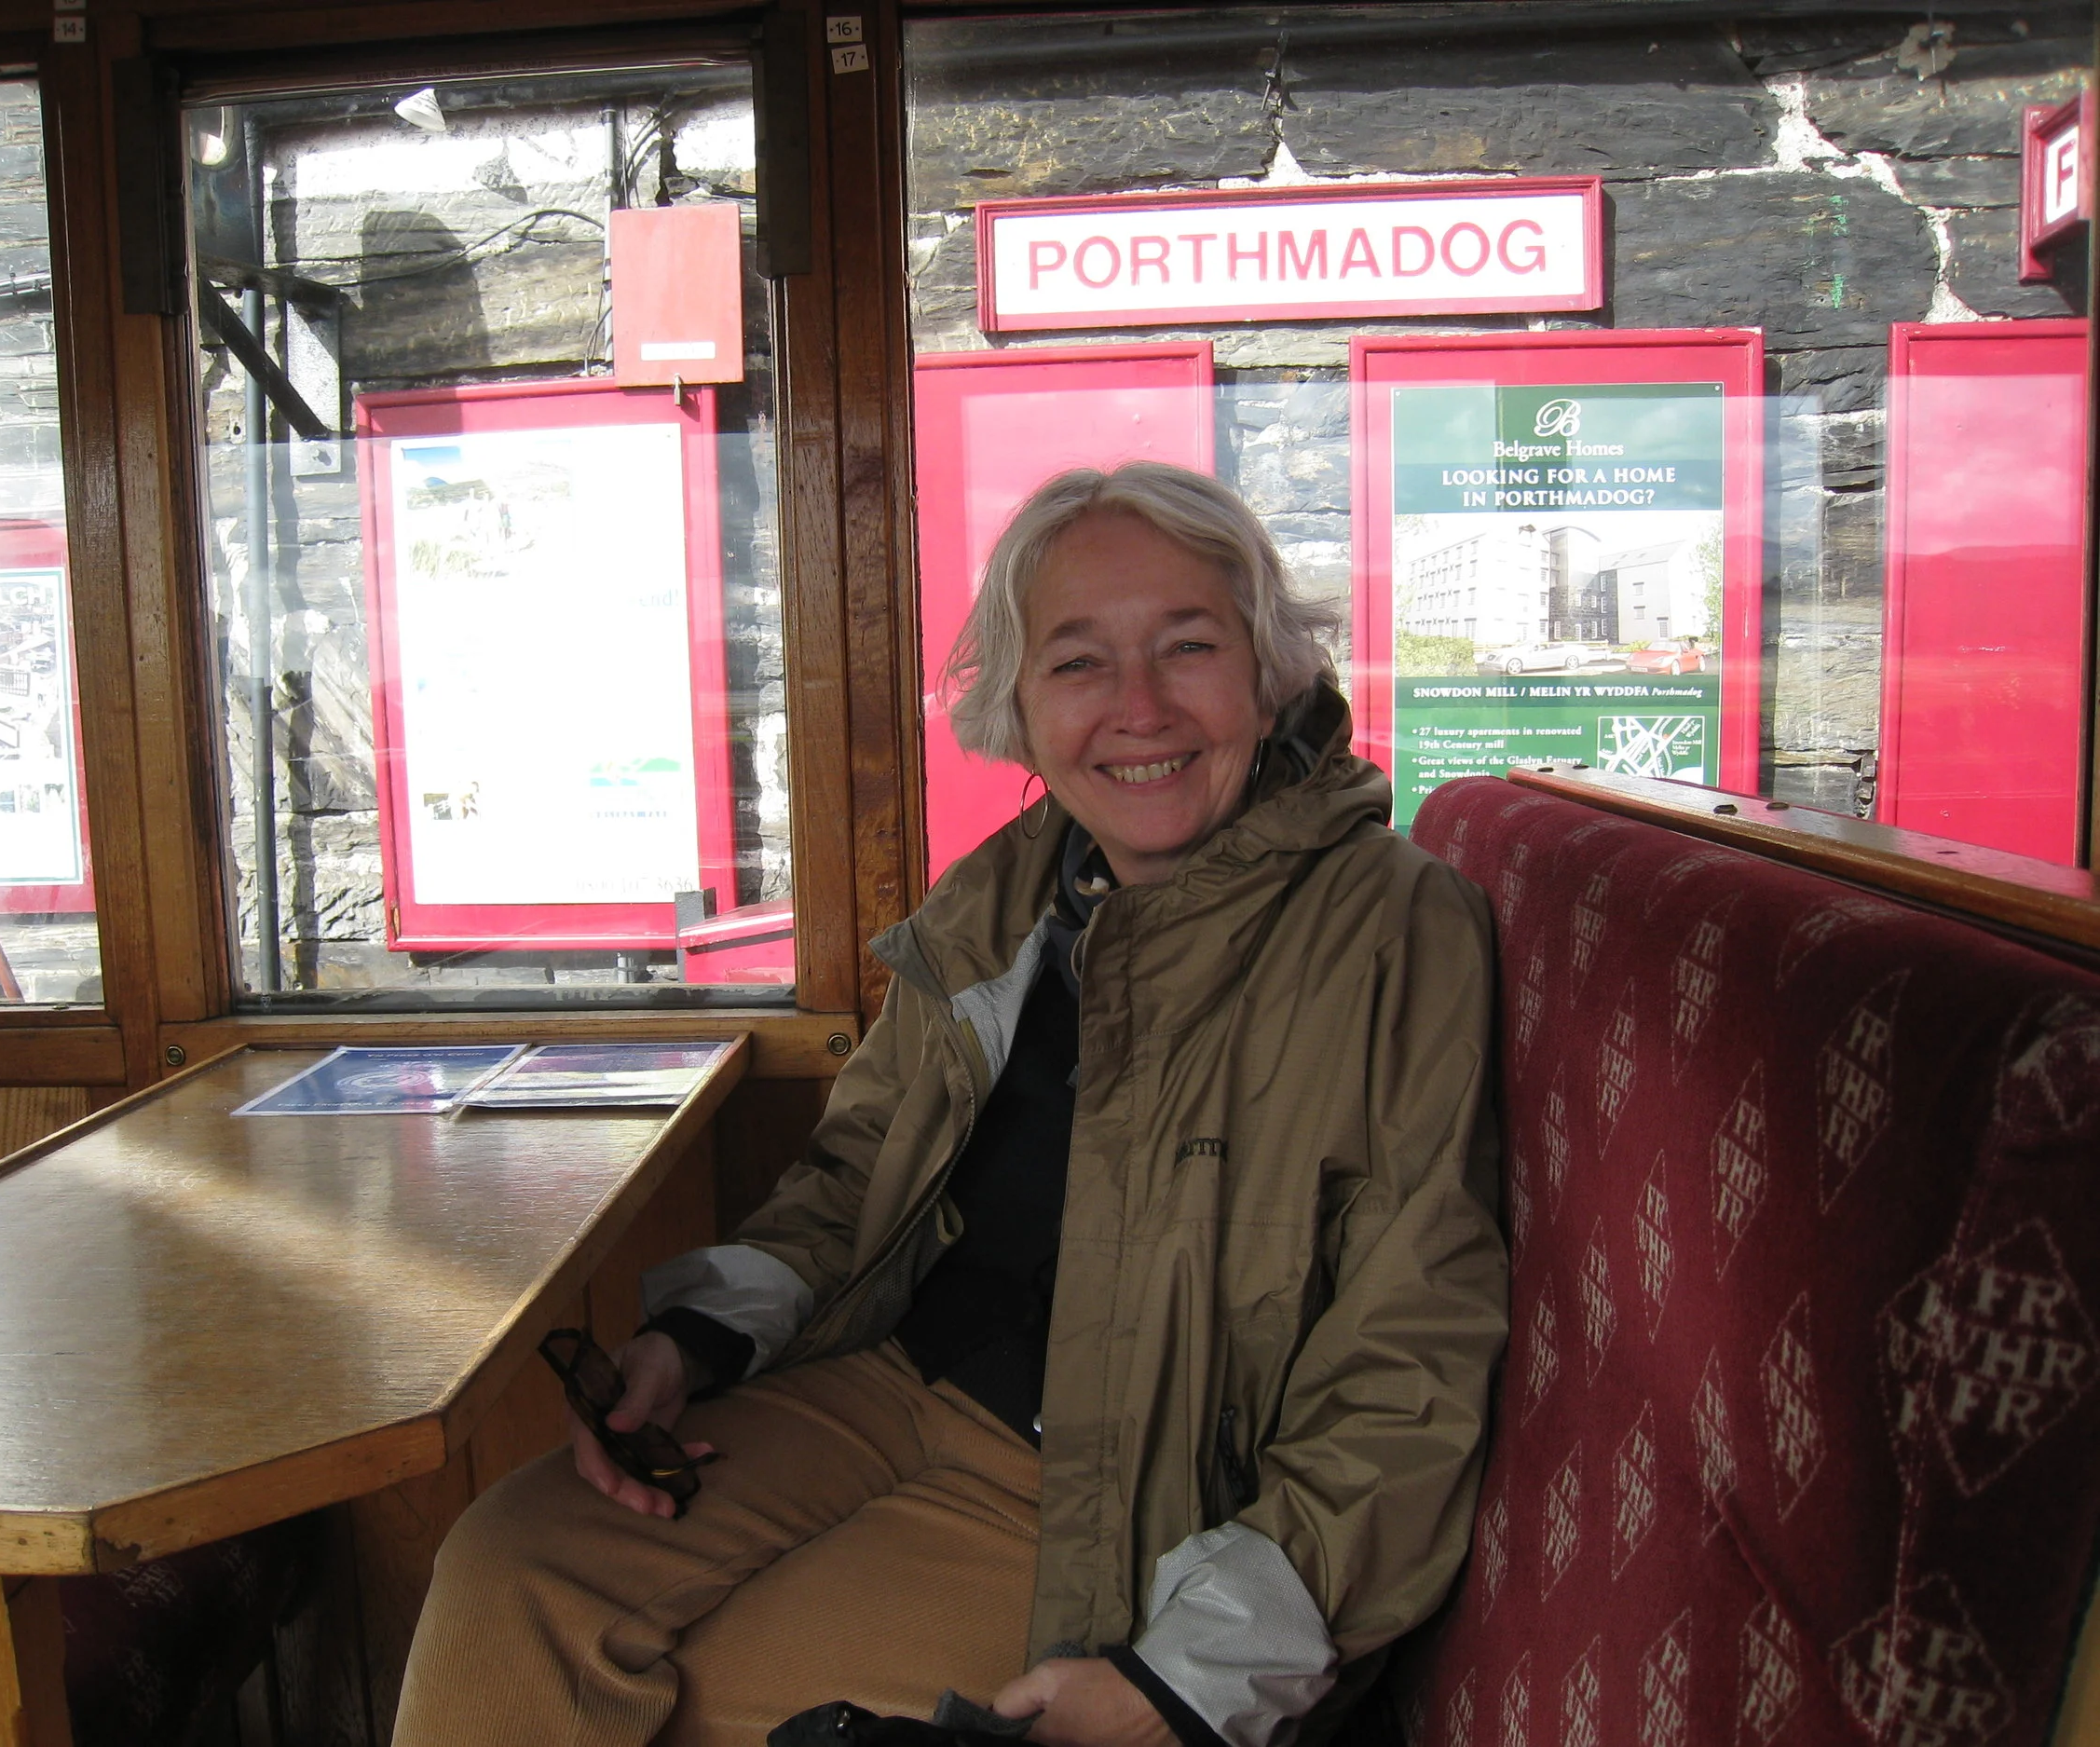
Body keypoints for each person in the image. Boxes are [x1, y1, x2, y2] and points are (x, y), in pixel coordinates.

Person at [392, 462, 1507, 1747]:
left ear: (1269, 673)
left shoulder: (1392, 923)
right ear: (1022, 714)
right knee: (505, 1573)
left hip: (1111, 1483)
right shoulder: (1016, 887)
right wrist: (691, 1344)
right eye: (1079, 664)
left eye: (1188, 647)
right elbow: (859, 1168)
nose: (1139, 708)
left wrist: (1191, 1678)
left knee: (708, 1701)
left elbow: (1413, 1343)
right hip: (881, 1384)